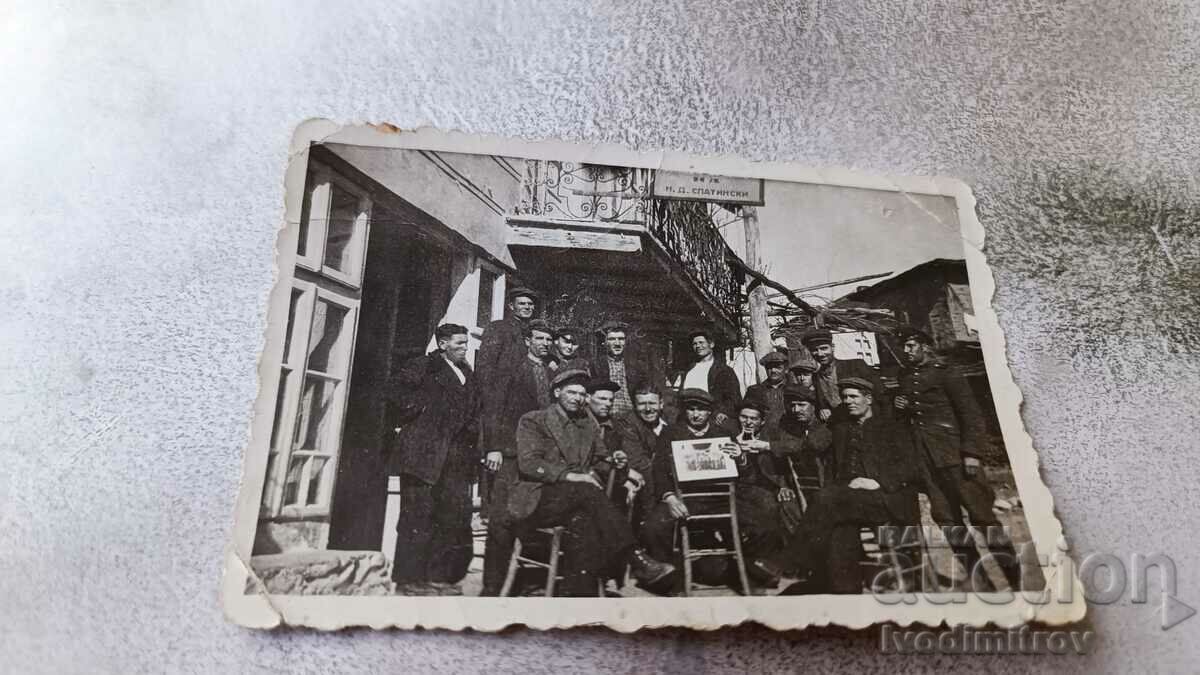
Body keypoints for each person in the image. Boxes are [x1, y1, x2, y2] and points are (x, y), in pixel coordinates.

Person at [510, 369, 675, 596]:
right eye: (572, 392)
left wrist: (618, 465)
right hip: (539, 499)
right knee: (586, 489)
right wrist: (570, 475)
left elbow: (600, 461)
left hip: (576, 502)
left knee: (584, 524)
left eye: (581, 394)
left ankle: (578, 595)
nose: (578, 398)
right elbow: (528, 464)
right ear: (557, 392)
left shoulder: (586, 423)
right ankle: (636, 558)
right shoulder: (534, 420)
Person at [752, 378, 925, 594]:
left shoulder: (891, 427)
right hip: (849, 500)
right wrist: (768, 445)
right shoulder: (841, 427)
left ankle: (787, 560)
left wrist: (876, 482)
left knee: (826, 498)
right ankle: (846, 590)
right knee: (839, 528)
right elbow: (810, 444)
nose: (848, 401)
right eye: (844, 397)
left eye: (854, 396)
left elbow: (912, 467)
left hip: (886, 497)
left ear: (868, 399)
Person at [894, 326, 1022, 590]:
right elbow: (912, 420)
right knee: (946, 519)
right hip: (927, 461)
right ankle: (981, 581)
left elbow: (971, 415)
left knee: (983, 517)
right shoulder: (905, 377)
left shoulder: (948, 373)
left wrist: (972, 453)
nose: (906, 351)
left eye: (910, 345)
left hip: (956, 457)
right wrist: (901, 408)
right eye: (903, 347)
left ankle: (1015, 579)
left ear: (924, 346)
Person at [386, 324, 480, 596]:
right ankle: (408, 580)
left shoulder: (466, 372)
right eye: (459, 343)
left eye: (466, 343)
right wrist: (419, 411)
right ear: (443, 345)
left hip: (453, 459)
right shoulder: (425, 366)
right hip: (422, 456)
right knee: (417, 518)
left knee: (448, 518)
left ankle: (437, 578)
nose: (465, 348)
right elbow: (393, 389)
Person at [478, 318, 555, 596]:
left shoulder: (551, 372)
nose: (545, 344)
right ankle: (491, 588)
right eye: (539, 338)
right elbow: (494, 408)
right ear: (527, 341)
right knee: (501, 521)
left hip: (540, 457)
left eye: (548, 340)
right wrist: (494, 447)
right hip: (509, 454)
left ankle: (531, 582)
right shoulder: (511, 370)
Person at [640, 389, 735, 565]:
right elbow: (659, 470)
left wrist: (740, 457)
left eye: (701, 409)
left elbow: (742, 473)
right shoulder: (671, 433)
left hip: (719, 499)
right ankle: (667, 573)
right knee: (653, 528)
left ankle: (747, 569)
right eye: (691, 409)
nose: (696, 414)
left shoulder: (723, 434)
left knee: (758, 524)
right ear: (685, 411)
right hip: (684, 498)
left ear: (709, 411)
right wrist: (669, 498)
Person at [476, 287, 541, 515]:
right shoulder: (499, 328)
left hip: (522, 404)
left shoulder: (532, 331)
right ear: (511, 306)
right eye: (522, 304)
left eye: (530, 305)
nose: (527, 308)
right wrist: (489, 395)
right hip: (500, 400)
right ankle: (490, 515)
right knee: (499, 466)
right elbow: (485, 367)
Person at [760, 384, 833, 529]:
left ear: (813, 406)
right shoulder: (787, 430)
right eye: (793, 405)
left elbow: (812, 445)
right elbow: (770, 463)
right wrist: (782, 486)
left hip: (826, 487)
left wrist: (769, 446)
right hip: (797, 488)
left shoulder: (825, 427)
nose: (796, 410)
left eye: (801, 405)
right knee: (786, 506)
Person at [802, 328, 877, 424]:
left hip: (868, 423)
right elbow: (820, 403)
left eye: (824, 348)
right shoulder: (816, 377)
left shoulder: (855, 365)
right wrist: (822, 409)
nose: (820, 354)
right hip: (841, 426)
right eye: (814, 350)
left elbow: (880, 395)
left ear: (832, 347)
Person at [678, 329, 741, 427]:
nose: (698, 346)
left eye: (701, 342)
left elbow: (734, 398)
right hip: (688, 421)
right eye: (695, 344)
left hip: (713, 421)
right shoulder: (688, 370)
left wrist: (723, 412)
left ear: (711, 344)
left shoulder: (724, 370)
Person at [593, 320, 652, 418]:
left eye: (621, 339)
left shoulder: (636, 366)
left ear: (625, 341)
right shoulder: (596, 366)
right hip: (606, 416)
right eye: (612, 339)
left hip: (632, 418)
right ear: (605, 342)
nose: (617, 343)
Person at [744, 351, 790, 429]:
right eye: (769, 367)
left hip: (789, 435)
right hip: (763, 435)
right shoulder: (754, 391)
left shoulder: (794, 389)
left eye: (778, 367)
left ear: (786, 370)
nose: (773, 371)